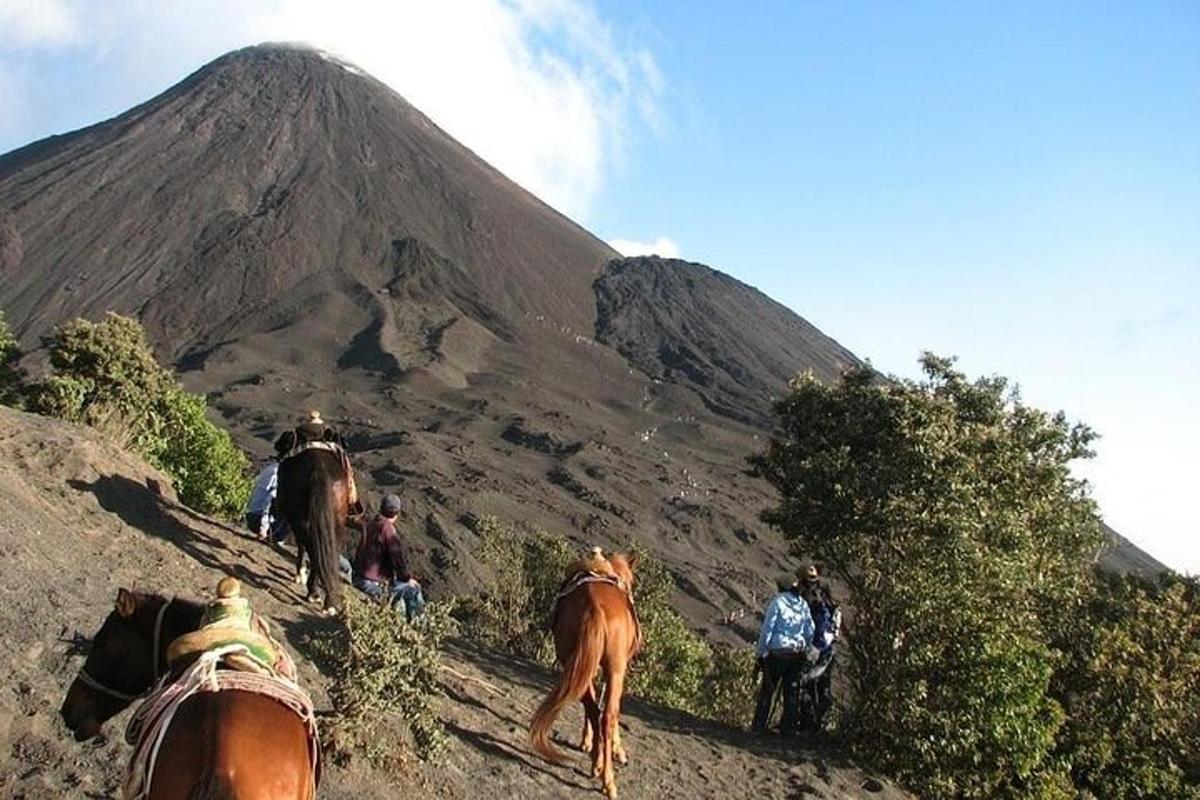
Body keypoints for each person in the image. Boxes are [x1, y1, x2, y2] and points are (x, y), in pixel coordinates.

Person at [339, 493, 425, 620]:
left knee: (402, 589)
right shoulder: (387, 528)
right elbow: (397, 559)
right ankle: (419, 626)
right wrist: (407, 579)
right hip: (371, 583)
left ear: (381, 508)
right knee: (414, 589)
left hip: (360, 576)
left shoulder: (371, 524)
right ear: (396, 513)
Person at [751, 571, 817, 736]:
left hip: (778, 653)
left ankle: (758, 727)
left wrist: (761, 653)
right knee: (791, 693)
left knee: (768, 690)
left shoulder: (778, 602)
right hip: (797, 653)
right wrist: (804, 645)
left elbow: (767, 629)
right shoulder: (803, 604)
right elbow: (811, 630)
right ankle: (789, 730)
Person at [800, 565, 841, 731]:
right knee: (824, 686)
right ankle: (824, 723)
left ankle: (807, 723)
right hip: (829, 651)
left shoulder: (810, 602)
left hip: (813, 650)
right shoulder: (831, 605)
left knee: (805, 684)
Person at [245, 456, 290, 544]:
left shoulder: (272, 468)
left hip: (252, 514)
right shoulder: (278, 473)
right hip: (257, 517)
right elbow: (268, 501)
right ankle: (272, 537)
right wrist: (263, 528)